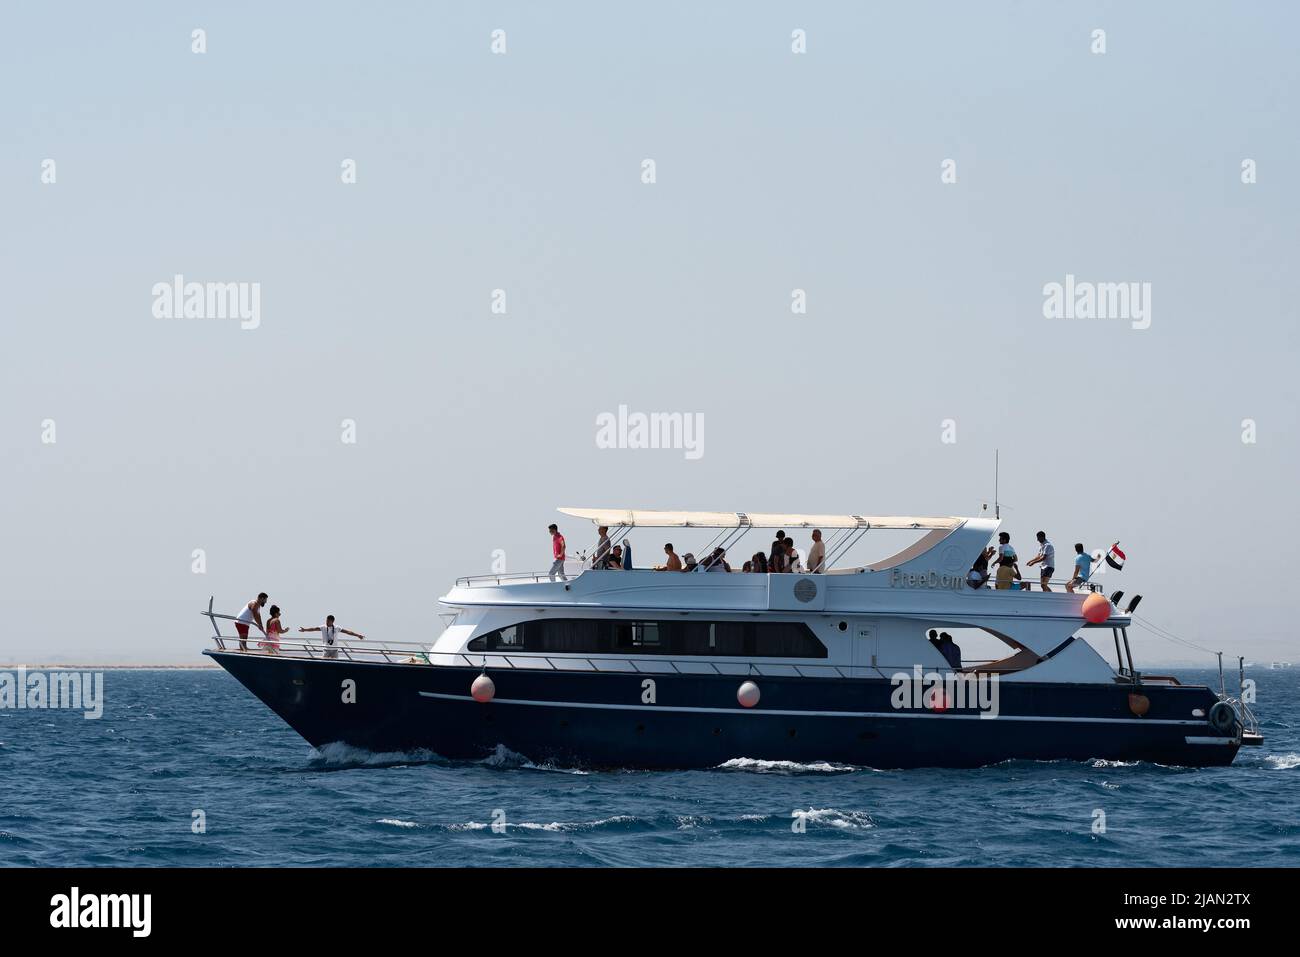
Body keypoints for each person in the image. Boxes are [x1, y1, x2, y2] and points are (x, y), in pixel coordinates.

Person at [300, 614, 365, 660]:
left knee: (335, 664)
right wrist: (305, 630)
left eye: (328, 621)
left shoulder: (337, 628)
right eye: (326, 620)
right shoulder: (323, 627)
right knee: (324, 663)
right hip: (326, 650)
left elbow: (348, 632)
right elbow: (313, 629)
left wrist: (358, 635)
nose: (326, 622)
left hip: (335, 650)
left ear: (332, 621)